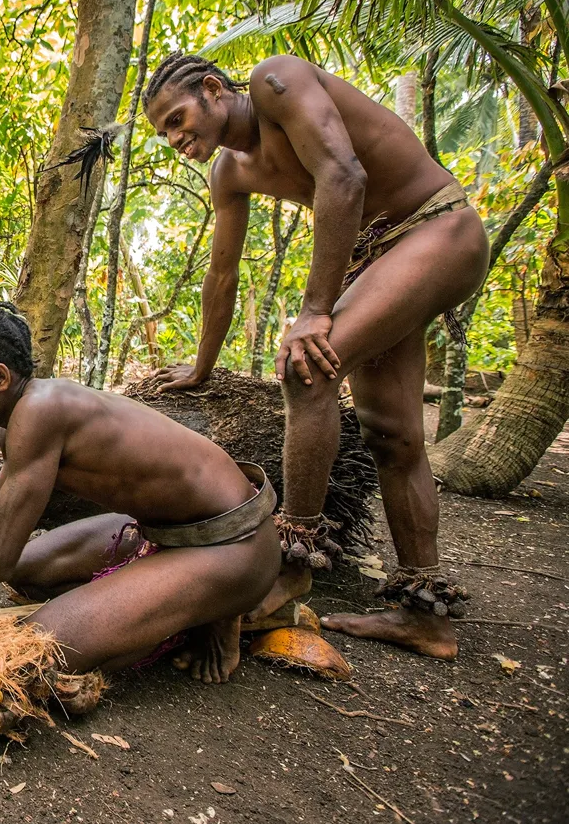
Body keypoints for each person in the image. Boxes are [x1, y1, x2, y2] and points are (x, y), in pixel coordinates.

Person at [144, 53, 488, 659]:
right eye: (163, 132)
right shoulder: (229, 172)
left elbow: (344, 175)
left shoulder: (276, 83)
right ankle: (425, 617)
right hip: (379, 263)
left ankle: (290, 565)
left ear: (213, 89)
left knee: (305, 367)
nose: (175, 139)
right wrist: (201, 366)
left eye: (177, 119)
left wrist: (315, 310)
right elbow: (222, 276)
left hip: (436, 229)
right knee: (392, 435)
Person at [0, 302, 281, 682]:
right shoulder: (19, 421)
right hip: (164, 533)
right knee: (26, 573)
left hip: (234, 545)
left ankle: (218, 606)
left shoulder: (41, 411)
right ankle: (180, 601)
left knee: (38, 647)